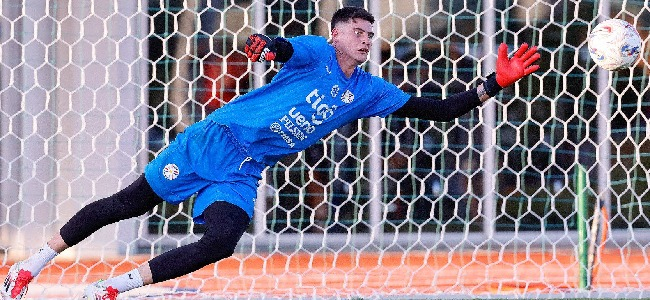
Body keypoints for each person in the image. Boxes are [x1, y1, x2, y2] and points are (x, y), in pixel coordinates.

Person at [2, 6, 540, 300]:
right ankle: (29, 266)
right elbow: (283, 47)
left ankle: (112, 288)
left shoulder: (369, 91)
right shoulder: (314, 53)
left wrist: (496, 81)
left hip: (242, 168)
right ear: (335, 34)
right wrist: (267, 46)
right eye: (356, 29)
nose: (364, 38)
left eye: (369, 33)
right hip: (212, 140)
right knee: (129, 204)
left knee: (221, 242)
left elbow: (438, 109)